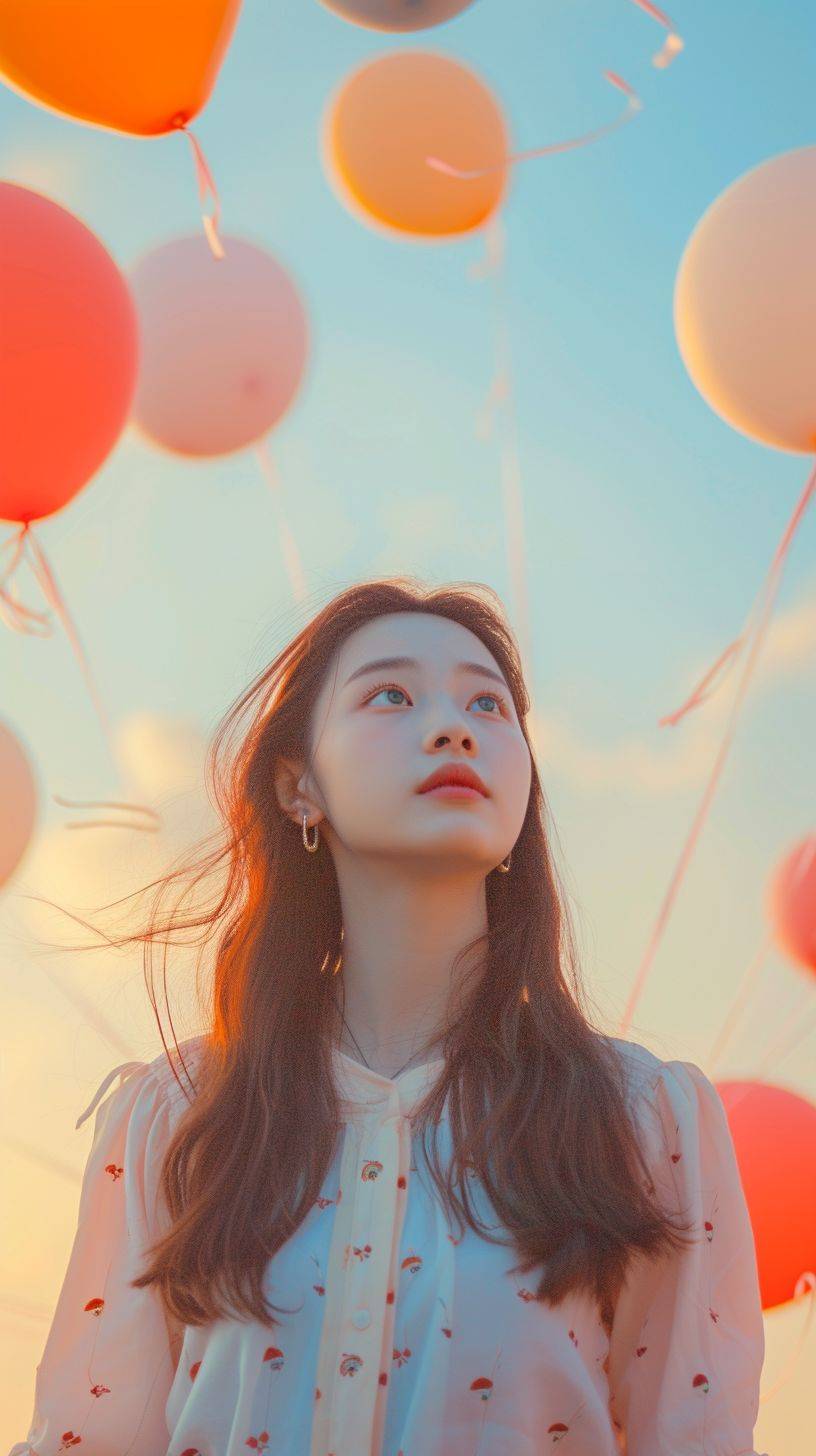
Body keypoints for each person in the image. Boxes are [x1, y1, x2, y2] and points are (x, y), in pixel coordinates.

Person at [9, 578, 768, 1456]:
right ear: (299, 785)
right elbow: (92, 1439)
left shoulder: (640, 1118)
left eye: (490, 704)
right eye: (391, 695)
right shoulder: (181, 1117)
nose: (455, 728)